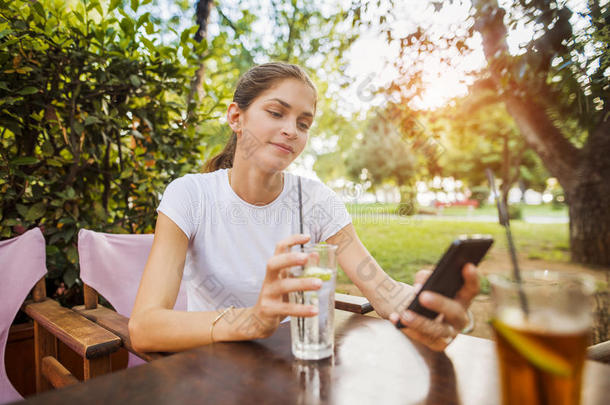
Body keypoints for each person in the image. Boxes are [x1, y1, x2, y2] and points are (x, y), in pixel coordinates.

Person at [129, 62, 479, 353]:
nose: (291, 131)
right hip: (214, 369)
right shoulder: (190, 195)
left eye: (303, 123)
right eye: (276, 112)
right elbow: (145, 326)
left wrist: (428, 307)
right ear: (236, 117)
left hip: (298, 363)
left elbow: (383, 292)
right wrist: (252, 320)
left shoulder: (316, 201)